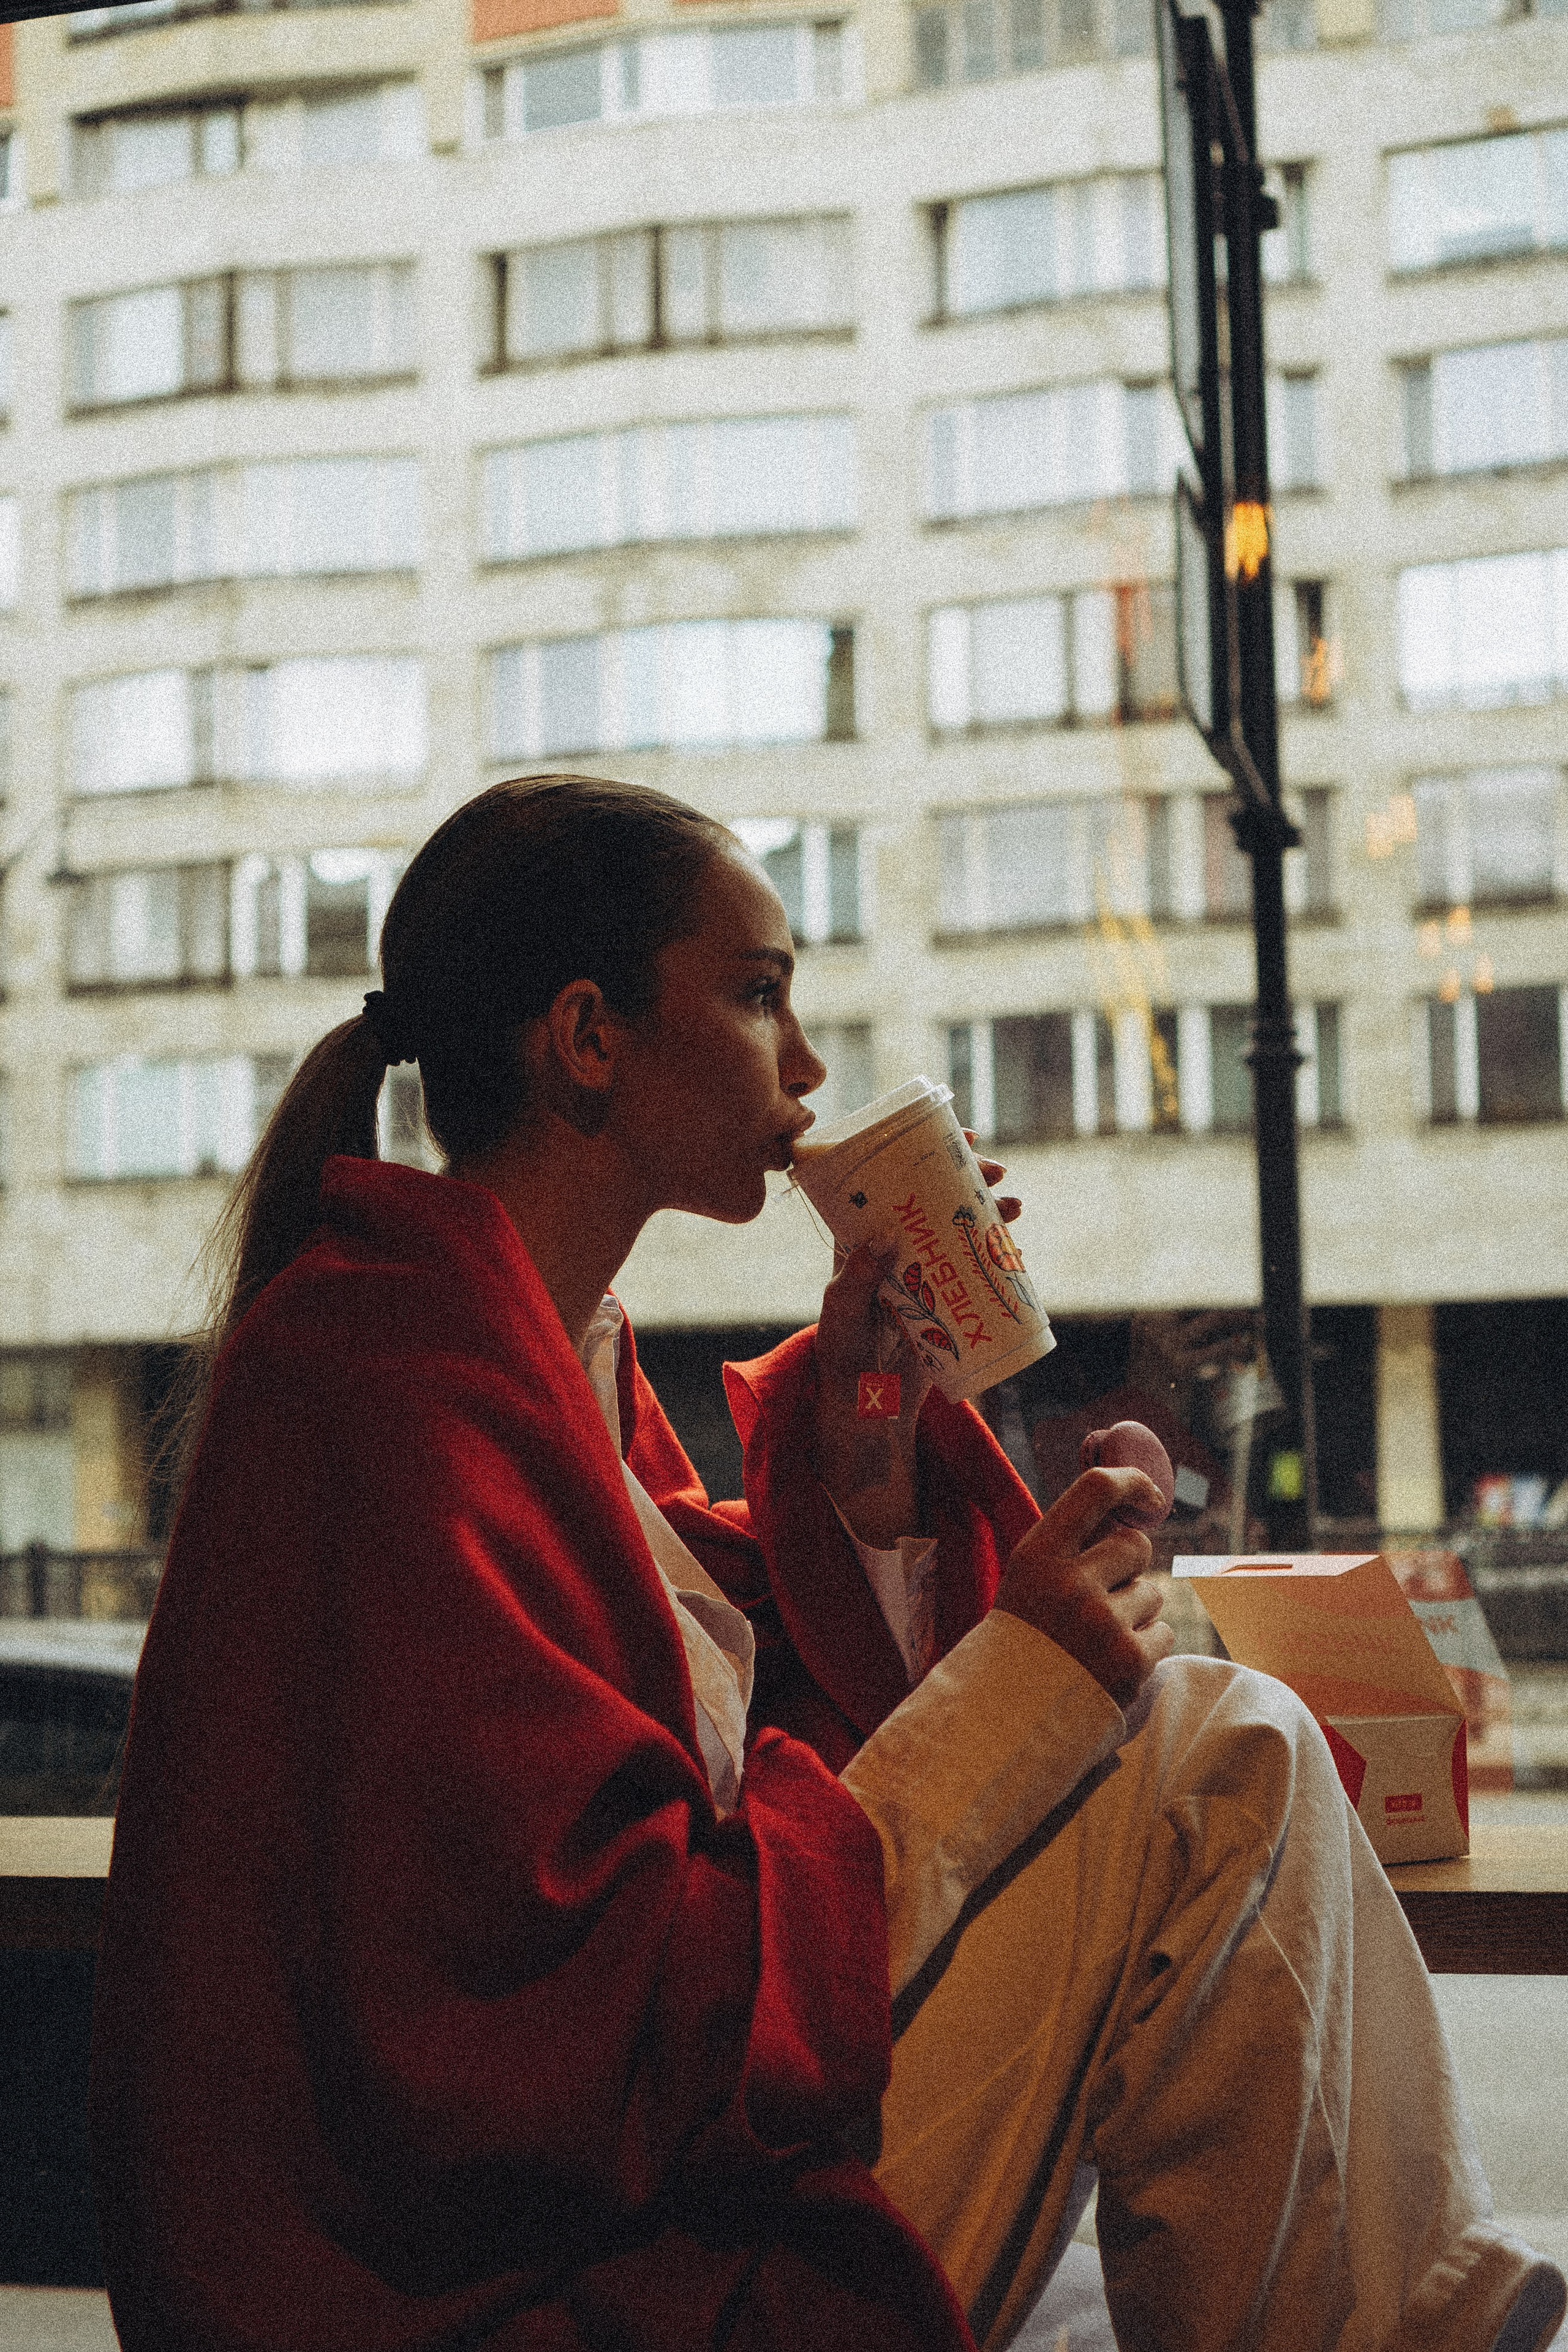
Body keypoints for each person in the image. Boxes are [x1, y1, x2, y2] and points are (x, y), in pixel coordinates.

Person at [90, 775, 1565, 2352]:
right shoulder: (381, 1387)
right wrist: (1029, 1668)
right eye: (757, 994)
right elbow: (584, 2004)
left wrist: (869, 1478)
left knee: (1210, 1748)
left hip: (626, 2187)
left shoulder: (537, 1366)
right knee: (1218, 1759)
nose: (803, 1065)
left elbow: (752, 1798)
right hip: (518, 2285)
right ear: (587, 1039)